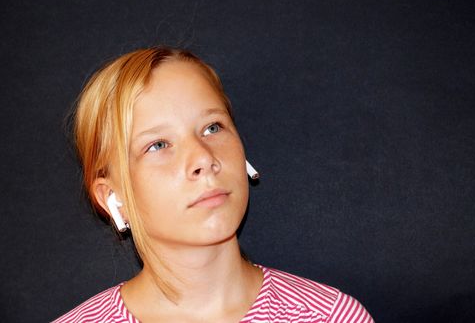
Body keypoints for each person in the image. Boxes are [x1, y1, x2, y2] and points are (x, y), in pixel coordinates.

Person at [54, 47, 374, 323]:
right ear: (113, 196)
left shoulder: (330, 316)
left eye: (212, 127)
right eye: (158, 145)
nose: (203, 158)